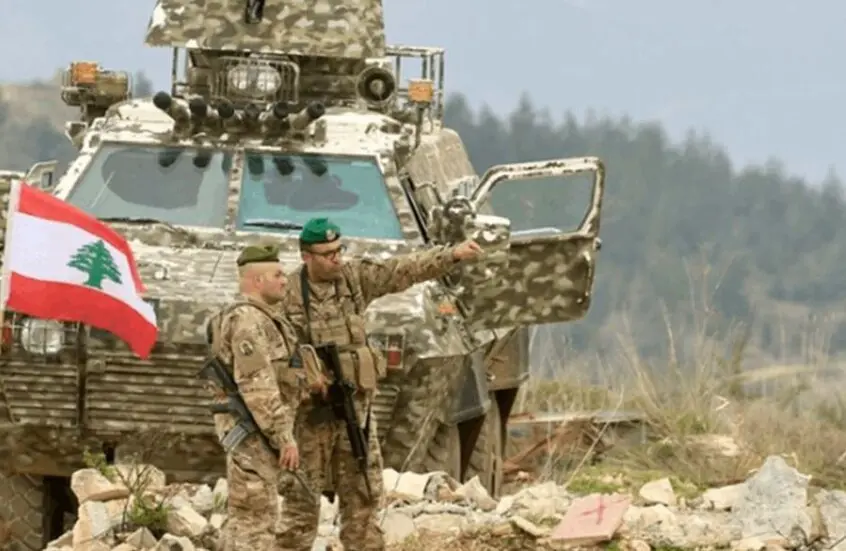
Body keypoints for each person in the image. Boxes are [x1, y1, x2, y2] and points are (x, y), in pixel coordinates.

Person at [276, 217, 483, 551]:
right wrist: (305, 379)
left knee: (363, 500)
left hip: (354, 412)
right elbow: (272, 355)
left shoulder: (354, 279)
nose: (336, 258)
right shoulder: (287, 296)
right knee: (300, 505)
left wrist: (453, 255)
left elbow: (403, 270)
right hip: (310, 415)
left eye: (338, 250)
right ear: (306, 257)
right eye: (326, 253)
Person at [203, 243, 323, 551]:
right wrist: (284, 437)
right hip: (252, 433)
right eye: (278, 274)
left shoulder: (265, 318)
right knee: (255, 523)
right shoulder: (247, 321)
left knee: (249, 519)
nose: (285, 280)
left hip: (258, 434)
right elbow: (257, 384)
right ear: (257, 281)